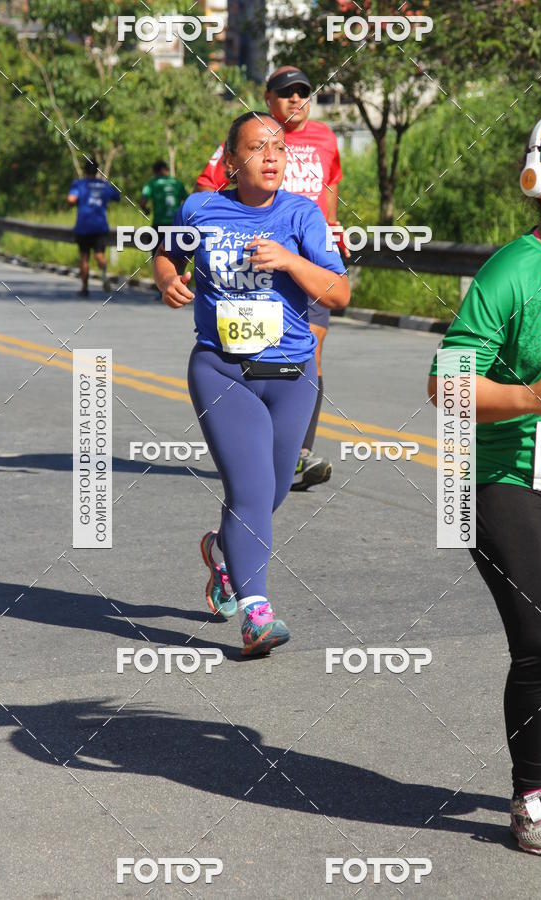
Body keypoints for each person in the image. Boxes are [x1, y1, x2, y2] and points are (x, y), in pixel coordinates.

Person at [428, 109, 541, 855]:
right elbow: (445, 380)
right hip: (505, 478)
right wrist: (531, 397)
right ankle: (533, 797)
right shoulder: (515, 270)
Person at [154, 111, 350, 655]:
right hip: (221, 369)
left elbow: (338, 294)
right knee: (250, 490)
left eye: (279, 148)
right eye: (258, 148)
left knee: (274, 490)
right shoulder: (200, 208)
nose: (271, 157)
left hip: (291, 374)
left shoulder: (302, 215)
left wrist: (289, 260)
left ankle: (222, 552)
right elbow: (166, 252)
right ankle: (255, 611)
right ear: (232, 159)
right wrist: (170, 279)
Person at [195, 66, 349, 491]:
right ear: (268, 98)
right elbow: (208, 188)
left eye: (303, 92)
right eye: (286, 93)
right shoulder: (249, 137)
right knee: (257, 353)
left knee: (310, 353)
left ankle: (295, 451)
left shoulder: (325, 138)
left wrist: (330, 229)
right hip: (254, 265)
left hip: (307, 259)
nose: (296, 99)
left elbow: (332, 183)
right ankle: (262, 439)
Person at [67, 159, 120, 297]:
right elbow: (117, 196)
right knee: (99, 254)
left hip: (83, 227)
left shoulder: (79, 184)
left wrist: (74, 203)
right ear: (97, 171)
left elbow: (71, 199)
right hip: (100, 226)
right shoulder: (103, 185)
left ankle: (85, 288)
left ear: (84, 171)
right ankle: (103, 273)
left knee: (84, 257)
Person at [140, 160, 188, 256]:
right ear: (165, 169)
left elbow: (142, 202)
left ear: (156, 171)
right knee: (176, 258)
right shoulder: (177, 183)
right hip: (175, 226)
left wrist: (146, 210)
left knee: (157, 257)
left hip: (159, 226)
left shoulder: (152, 183)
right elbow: (188, 201)